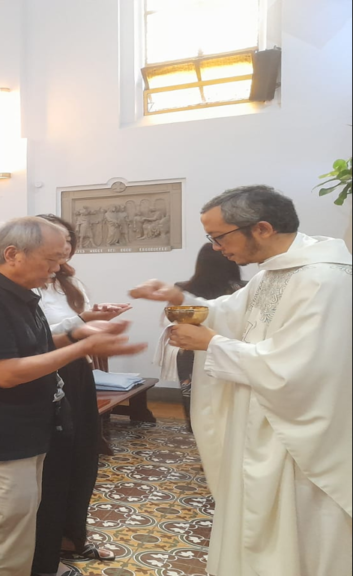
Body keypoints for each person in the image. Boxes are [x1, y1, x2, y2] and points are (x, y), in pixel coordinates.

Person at [130, 185, 352, 576]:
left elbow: (302, 367)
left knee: (296, 531)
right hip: (258, 420)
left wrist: (210, 343)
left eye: (219, 237)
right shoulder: (273, 273)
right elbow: (227, 313)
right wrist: (178, 297)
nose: (216, 248)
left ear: (262, 228)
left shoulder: (324, 279)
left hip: (295, 433)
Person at [0, 217, 145, 576]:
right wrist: (83, 347)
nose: (57, 269)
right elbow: (5, 373)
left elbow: (36, 344)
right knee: (2, 541)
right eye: (51, 259)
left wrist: (78, 333)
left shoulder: (17, 292)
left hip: (23, 432)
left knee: (19, 532)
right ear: (12, 254)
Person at [33, 214, 132, 575]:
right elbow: (36, 337)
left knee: (82, 456)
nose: (66, 249)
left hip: (76, 369)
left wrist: (96, 317)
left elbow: (76, 325)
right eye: (58, 243)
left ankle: (73, 535)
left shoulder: (69, 282)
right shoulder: (23, 285)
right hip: (46, 369)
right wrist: (82, 322)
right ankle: (44, 548)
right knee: (54, 463)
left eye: (69, 242)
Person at [162, 242, 245, 429]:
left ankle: (193, 427)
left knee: (192, 393)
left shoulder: (182, 289)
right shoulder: (241, 290)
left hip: (189, 349)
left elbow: (172, 319)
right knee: (225, 395)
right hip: (227, 347)